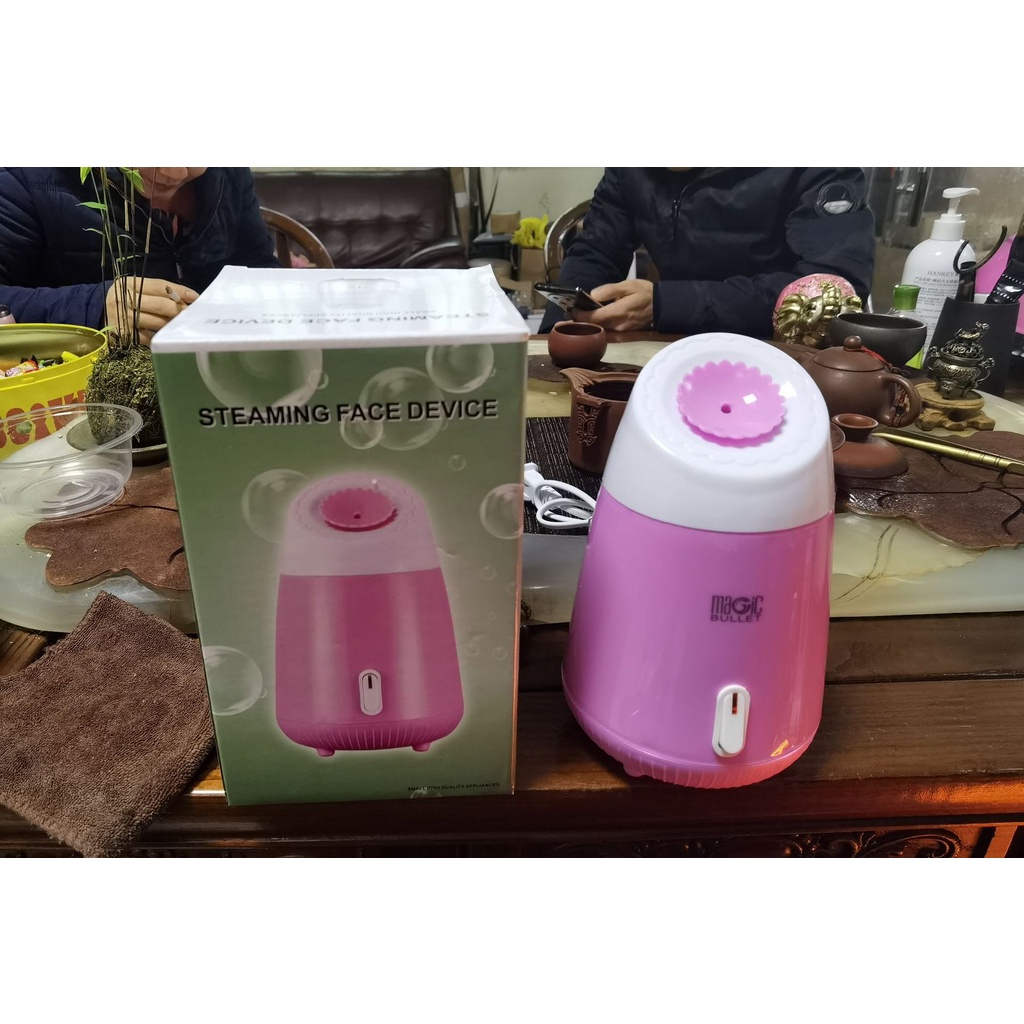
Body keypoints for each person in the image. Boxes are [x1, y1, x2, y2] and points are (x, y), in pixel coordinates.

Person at [538, 167, 876, 338]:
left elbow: (835, 288)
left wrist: (665, 304)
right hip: (671, 343)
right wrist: (552, 338)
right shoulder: (633, 168)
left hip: (777, 348)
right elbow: (596, 251)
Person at [0, 167, 282, 343]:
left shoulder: (229, 173)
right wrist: (93, 309)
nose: (176, 172)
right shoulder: (24, 177)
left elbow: (259, 268)